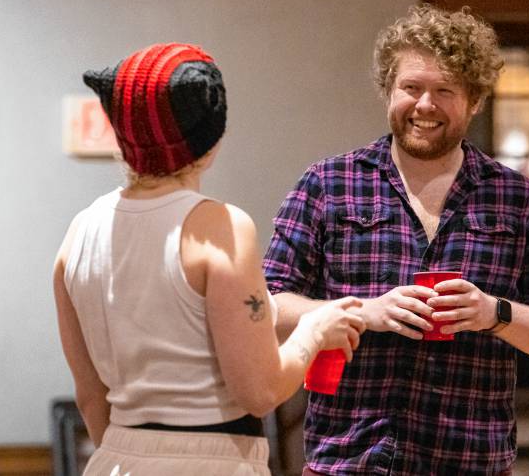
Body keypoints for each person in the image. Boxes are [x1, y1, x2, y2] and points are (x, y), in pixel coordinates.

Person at [263, 5, 529, 475]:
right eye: (411, 88)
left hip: (472, 463)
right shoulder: (327, 184)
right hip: (349, 462)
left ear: (474, 100)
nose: (425, 105)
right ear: (388, 92)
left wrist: (493, 313)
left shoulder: (518, 199)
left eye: (444, 91)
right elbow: (267, 310)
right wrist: (363, 311)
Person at [53, 43, 366, 476]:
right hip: (211, 459)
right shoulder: (220, 225)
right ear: (210, 138)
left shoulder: (77, 234)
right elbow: (261, 390)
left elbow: (89, 396)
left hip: (116, 457)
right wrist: (314, 330)